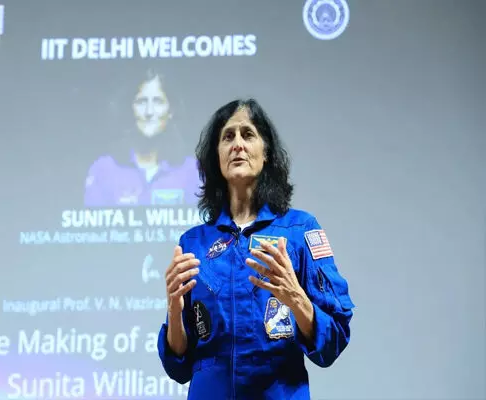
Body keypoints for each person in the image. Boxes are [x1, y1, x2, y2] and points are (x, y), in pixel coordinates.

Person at [156, 99, 355, 399]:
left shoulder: (299, 229)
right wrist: (174, 309)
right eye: (228, 137)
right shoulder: (193, 242)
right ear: (217, 156)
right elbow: (179, 366)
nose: (237, 144)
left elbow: (334, 340)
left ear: (266, 153)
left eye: (248, 134)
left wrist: (296, 298)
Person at [83, 70, 199, 207]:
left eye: (158, 101)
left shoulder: (192, 171)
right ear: (130, 109)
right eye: (142, 102)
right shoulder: (103, 169)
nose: (149, 112)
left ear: (171, 111)